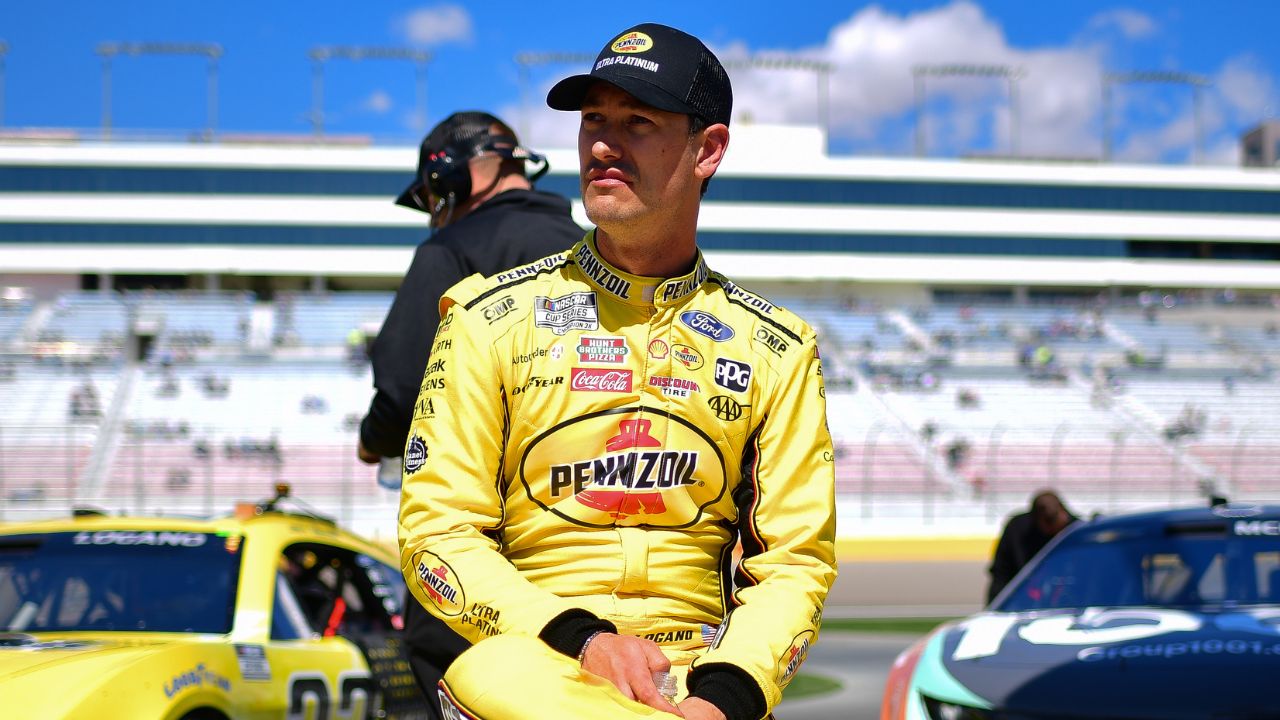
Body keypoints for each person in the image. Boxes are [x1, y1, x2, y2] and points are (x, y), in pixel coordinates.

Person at [399, 23, 837, 720]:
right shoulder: (487, 319)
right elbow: (436, 539)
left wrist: (721, 700)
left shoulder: (777, 349)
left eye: (637, 122)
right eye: (593, 121)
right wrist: (584, 641)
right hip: (539, 666)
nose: (603, 145)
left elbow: (794, 562)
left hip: (699, 683)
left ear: (708, 150)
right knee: (491, 670)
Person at [357, 111, 581, 715]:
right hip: (586, 540)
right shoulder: (596, 254)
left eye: (433, 197)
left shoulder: (451, 250)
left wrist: (371, 440)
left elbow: (403, 390)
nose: (435, 211)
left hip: (483, 540)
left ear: (454, 178)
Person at [986, 489, 1077, 604]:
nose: (1054, 533)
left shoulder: (1076, 530)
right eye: (1049, 525)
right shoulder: (1017, 530)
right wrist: (996, 604)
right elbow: (1001, 571)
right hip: (1023, 598)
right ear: (1036, 520)